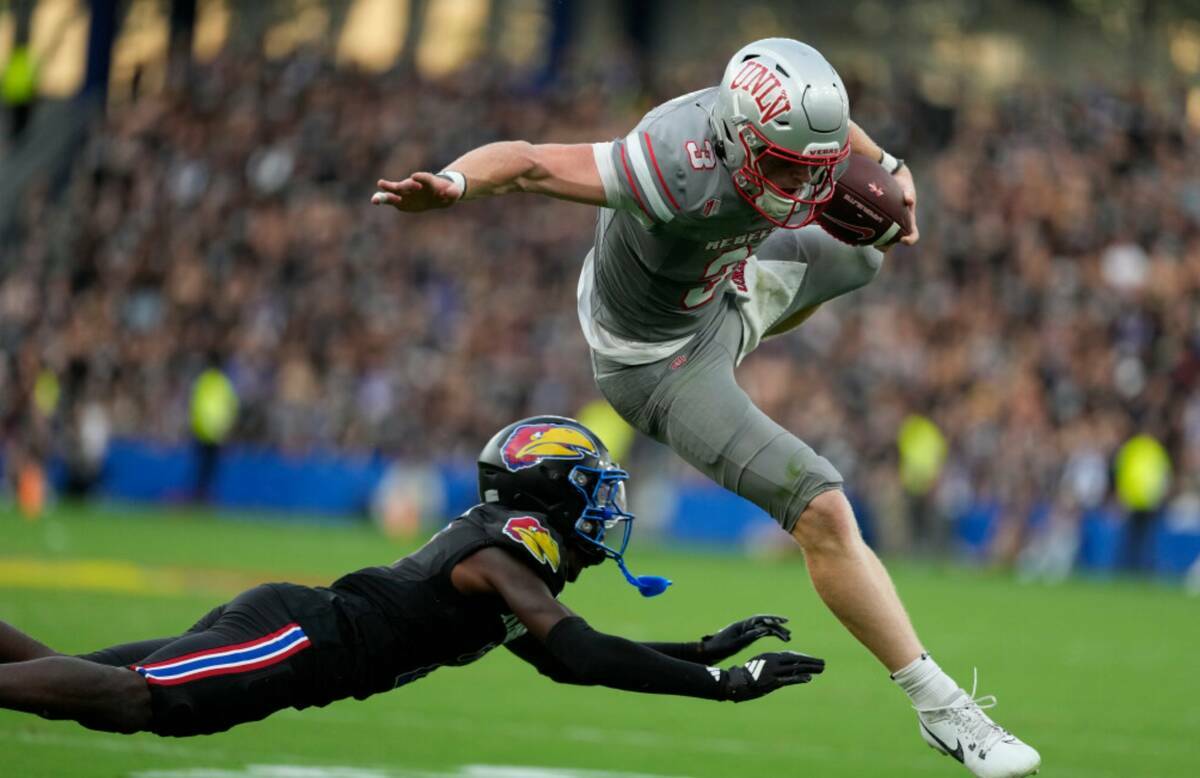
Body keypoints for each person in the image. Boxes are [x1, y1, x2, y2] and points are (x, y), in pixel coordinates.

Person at [372, 38, 1039, 778]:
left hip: (719, 295)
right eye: (786, 167)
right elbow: (527, 161)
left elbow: (828, 138)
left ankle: (747, 317)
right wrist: (456, 185)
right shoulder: (663, 167)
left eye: (810, 169)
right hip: (657, 361)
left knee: (863, 246)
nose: (802, 187)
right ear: (735, 139)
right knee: (822, 509)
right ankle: (942, 710)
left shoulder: (777, 133)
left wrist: (888, 167)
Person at [0, 416, 823, 737]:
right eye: (589, 487)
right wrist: (718, 683)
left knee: (78, 679)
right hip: (298, 637)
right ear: (544, 493)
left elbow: (560, 655)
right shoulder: (502, 559)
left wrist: (698, 648)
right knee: (140, 697)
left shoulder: (505, 568)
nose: (604, 504)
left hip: (297, 638)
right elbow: (581, 654)